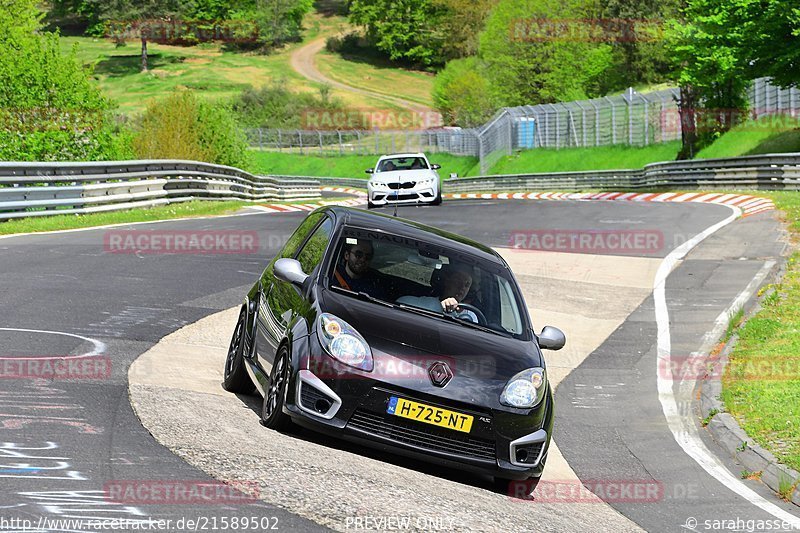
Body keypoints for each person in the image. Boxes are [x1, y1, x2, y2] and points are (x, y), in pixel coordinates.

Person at [396, 262, 478, 322]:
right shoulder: (421, 304)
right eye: (458, 281)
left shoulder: (471, 315)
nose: (462, 287)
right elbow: (400, 304)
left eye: (467, 285)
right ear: (447, 281)